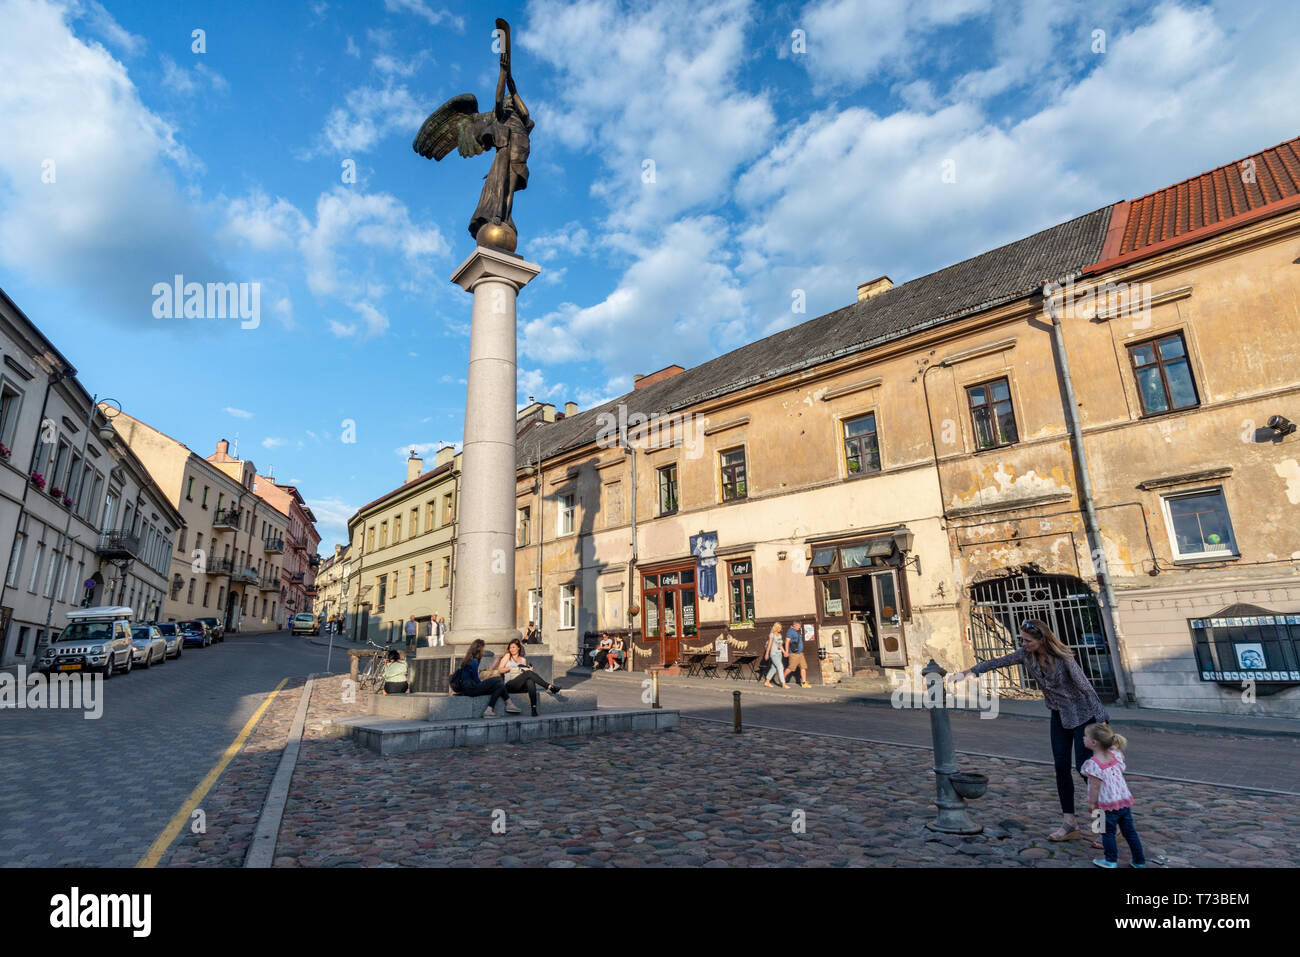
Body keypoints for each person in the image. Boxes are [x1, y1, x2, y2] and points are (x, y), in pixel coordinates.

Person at [950, 618, 1110, 842]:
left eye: (1028, 640)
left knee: (1087, 772)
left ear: (1042, 639)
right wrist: (969, 672)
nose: (1024, 644)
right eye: (1022, 640)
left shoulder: (1064, 659)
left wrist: (1102, 720)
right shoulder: (1026, 655)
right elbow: (999, 661)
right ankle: (1070, 823)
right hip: (1059, 715)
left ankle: (1107, 827)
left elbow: (1087, 689)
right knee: (1061, 768)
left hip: (1085, 717)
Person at [1083, 723, 1146, 868]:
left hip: (1105, 806)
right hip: (1123, 802)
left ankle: (1110, 860)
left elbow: (1094, 786)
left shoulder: (1093, 764)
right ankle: (1139, 861)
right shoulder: (1115, 756)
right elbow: (1119, 756)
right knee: (1130, 833)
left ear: (1093, 743)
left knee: (1107, 833)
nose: (1083, 738)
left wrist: (1092, 804)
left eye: (1085, 736)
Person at [449, 639, 516, 716]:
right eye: (483, 648)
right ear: (479, 649)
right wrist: (484, 683)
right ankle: (508, 703)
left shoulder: (467, 660)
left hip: (466, 690)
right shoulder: (474, 661)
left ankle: (490, 709)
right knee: (498, 680)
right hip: (472, 689)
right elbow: (476, 679)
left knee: (499, 686)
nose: (484, 650)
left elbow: (466, 678)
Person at [498, 638, 564, 716]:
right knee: (529, 674)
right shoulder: (507, 656)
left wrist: (529, 670)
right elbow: (499, 670)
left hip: (521, 687)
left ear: (518, 648)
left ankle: (533, 708)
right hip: (510, 685)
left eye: (513, 647)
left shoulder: (523, 660)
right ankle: (549, 687)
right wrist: (508, 668)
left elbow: (525, 674)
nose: (511, 649)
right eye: (510, 647)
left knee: (530, 681)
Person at [784, 619, 811, 688]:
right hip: (794, 654)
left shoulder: (797, 631)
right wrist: (786, 651)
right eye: (799, 626)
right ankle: (782, 679)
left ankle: (804, 683)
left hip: (800, 653)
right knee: (791, 668)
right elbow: (787, 641)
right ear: (795, 625)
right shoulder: (790, 631)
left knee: (803, 667)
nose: (800, 627)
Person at [763, 622, 788, 688]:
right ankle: (783, 683)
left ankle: (767, 682)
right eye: (780, 628)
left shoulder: (779, 635)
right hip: (774, 654)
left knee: (774, 668)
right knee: (780, 667)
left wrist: (784, 652)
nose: (781, 629)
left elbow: (780, 645)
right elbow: (769, 645)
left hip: (779, 653)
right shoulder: (772, 635)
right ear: (776, 628)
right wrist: (767, 653)